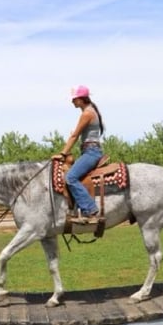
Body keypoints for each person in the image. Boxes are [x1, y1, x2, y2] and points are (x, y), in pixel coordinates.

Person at [52, 85, 105, 223]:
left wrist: (63, 154)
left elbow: (75, 135)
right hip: (89, 151)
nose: (72, 102)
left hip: (91, 153)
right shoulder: (91, 111)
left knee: (70, 177)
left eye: (74, 99)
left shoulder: (87, 114)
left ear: (81, 99)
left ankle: (90, 210)